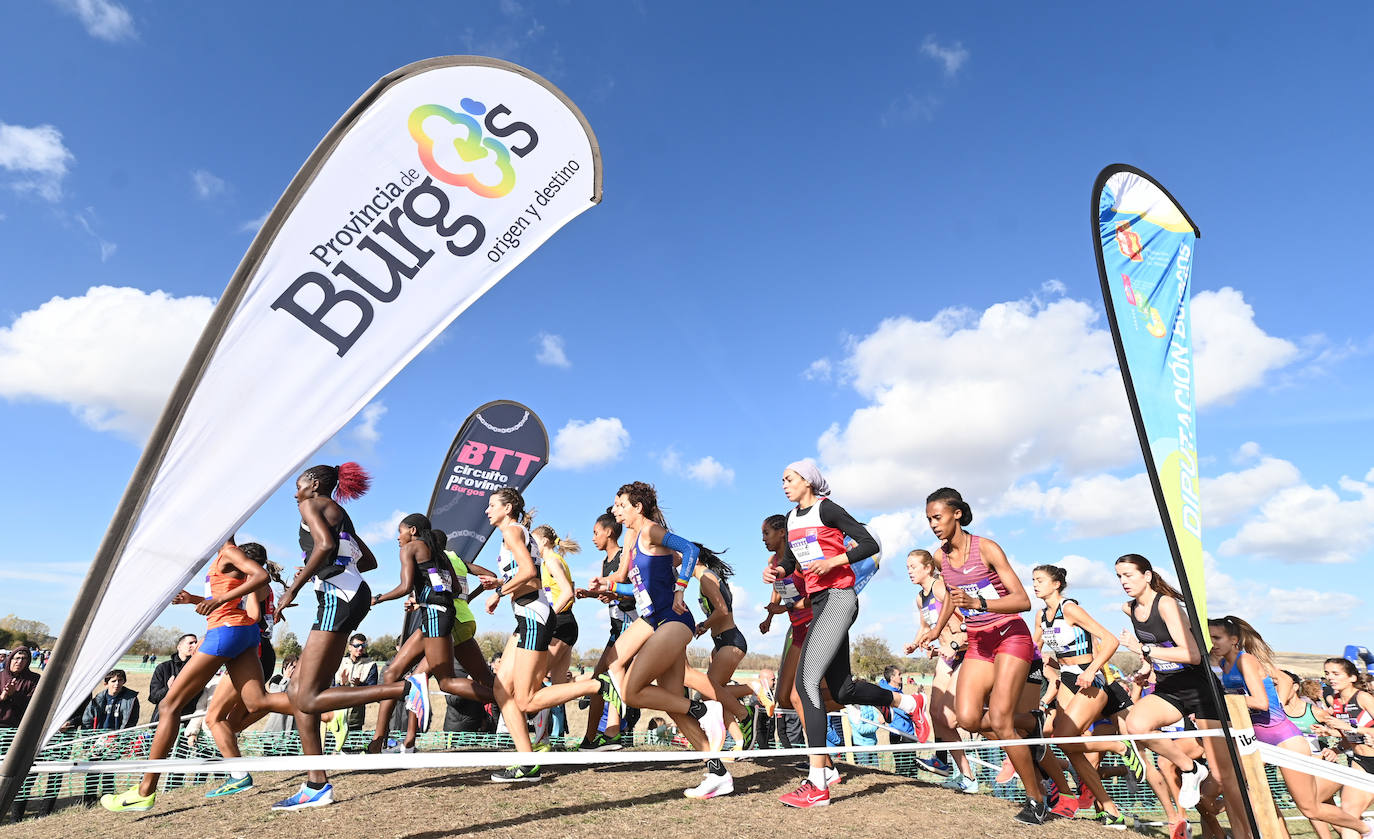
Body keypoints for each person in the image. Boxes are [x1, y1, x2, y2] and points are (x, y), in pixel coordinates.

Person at [769, 461, 925, 809]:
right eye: (782, 480)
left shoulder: (827, 508)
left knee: (805, 683)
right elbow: (795, 561)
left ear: (808, 481)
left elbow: (869, 544)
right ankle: (909, 703)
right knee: (842, 689)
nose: (784, 484)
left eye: (789, 479)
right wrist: (780, 569)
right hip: (821, 603)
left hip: (840, 597)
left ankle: (818, 782)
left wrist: (835, 561)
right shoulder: (792, 519)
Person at [271, 462, 414, 810]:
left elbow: (322, 545)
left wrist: (295, 586)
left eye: (299, 484)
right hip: (349, 592)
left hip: (339, 597)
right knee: (297, 692)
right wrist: (318, 568)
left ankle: (404, 689)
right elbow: (368, 561)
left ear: (315, 484)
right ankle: (315, 783)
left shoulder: (312, 504)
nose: (295, 492)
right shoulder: (338, 510)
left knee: (305, 697)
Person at [101, 540, 278, 812]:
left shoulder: (231, 555)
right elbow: (244, 610)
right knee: (249, 705)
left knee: (170, 706)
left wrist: (218, 599)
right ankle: (314, 706)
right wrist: (196, 600)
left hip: (228, 635)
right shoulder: (231, 561)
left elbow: (249, 608)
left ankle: (145, 790)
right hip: (245, 637)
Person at [912, 487, 1047, 824]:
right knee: (968, 719)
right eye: (928, 519)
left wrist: (980, 604)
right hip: (979, 642)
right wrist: (935, 628)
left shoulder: (986, 548)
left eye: (937, 517)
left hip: (1010, 636)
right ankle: (1032, 723)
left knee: (1001, 722)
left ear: (956, 513)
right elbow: (950, 599)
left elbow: (1022, 600)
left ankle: (1036, 800)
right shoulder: (940, 557)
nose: (933, 524)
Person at [590, 481, 731, 799]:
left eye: (620, 505)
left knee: (631, 691)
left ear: (637, 507)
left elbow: (691, 550)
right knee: (668, 703)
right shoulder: (630, 537)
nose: (616, 511)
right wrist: (604, 587)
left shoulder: (652, 531)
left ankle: (703, 710)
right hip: (653, 620)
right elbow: (632, 588)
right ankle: (717, 773)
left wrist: (681, 587)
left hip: (674, 621)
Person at [479, 488, 617, 782]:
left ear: (508, 508)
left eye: (492, 505)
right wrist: (500, 581)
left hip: (534, 615)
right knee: (502, 690)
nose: (487, 510)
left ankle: (596, 686)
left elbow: (530, 572)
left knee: (526, 700)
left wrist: (499, 594)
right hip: (527, 614)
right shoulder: (517, 533)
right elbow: (523, 571)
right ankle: (526, 762)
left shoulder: (512, 531)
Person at [1114, 554, 1250, 839]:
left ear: (1147, 575)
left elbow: (1191, 655)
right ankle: (1190, 769)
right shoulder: (1129, 608)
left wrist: (1144, 650)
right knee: (1136, 726)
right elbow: (1159, 650)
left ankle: (1244, 833)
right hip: (1169, 689)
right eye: (1119, 577)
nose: (1124, 582)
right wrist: (1146, 668)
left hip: (1201, 691)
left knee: (1225, 775)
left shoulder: (1165, 604)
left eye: (1129, 575)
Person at [1211, 617, 1374, 838]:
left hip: (1284, 738)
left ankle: (1365, 829)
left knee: (1310, 808)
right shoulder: (1223, 664)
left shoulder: (1247, 660)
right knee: (1235, 786)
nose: (1212, 643)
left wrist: (1227, 699)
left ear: (1233, 640)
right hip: (1255, 737)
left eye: (1216, 637)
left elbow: (1269, 695)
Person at [367, 513, 495, 753]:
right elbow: (455, 587)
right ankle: (380, 741)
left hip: (439, 618)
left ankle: (508, 703)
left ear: (413, 530)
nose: (398, 537)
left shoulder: (411, 548)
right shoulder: (444, 555)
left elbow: (406, 586)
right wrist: (427, 598)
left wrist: (378, 598)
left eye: (400, 531)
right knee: (392, 672)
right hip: (446, 615)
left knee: (444, 681)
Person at [1029, 564, 1132, 827]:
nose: (1035, 584)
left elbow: (1110, 640)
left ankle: (1119, 746)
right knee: (1068, 746)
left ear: (1056, 584)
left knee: (1066, 740)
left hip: (1088, 676)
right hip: (1066, 678)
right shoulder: (1041, 616)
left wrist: (1093, 670)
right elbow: (1033, 650)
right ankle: (1109, 810)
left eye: (1040, 580)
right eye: (1033, 580)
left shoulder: (1070, 609)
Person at [902, 548, 977, 791]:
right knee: (937, 713)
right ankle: (965, 775)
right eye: (907, 568)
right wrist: (915, 643)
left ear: (928, 568)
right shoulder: (918, 597)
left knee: (953, 716)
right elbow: (925, 626)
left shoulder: (939, 587)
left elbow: (966, 616)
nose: (910, 571)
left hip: (964, 650)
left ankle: (1003, 735)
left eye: (913, 567)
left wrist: (956, 641)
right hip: (945, 655)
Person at [577, 511, 635, 751]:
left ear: (609, 532)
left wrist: (613, 593)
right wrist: (588, 593)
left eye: (595, 532)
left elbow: (631, 588)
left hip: (630, 623)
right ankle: (592, 739)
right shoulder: (604, 562)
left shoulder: (623, 556)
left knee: (607, 677)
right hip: (615, 627)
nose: (593, 538)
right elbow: (608, 593)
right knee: (599, 679)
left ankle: (609, 735)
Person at [758, 513, 809, 748]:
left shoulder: (798, 559)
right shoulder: (772, 562)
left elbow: (814, 598)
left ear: (781, 533)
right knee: (783, 697)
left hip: (813, 624)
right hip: (796, 626)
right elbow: (778, 590)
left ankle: (819, 757)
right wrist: (769, 616)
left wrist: (784, 608)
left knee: (799, 695)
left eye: (766, 533)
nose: (763, 539)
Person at [1314, 657, 1374, 839]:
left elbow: (1356, 729)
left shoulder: (1363, 697)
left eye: (1336, 673)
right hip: (1361, 762)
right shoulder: (1338, 702)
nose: (1330, 678)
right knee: (1348, 815)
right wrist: (1336, 748)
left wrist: (1350, 728)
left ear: (1352, 678)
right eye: (1327, 674)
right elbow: (1352, 738)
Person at [148, 634, 202, 724]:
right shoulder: (163, 668)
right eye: (190, 643)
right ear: (179, 647)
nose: (194, 645)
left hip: (189, 722)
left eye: (196, 643)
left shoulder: (200, 669)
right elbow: (153, 697)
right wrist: (168, 688)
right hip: (163, 721)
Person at [0, 648, 39, 726]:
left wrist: (14, 694)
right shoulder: (0, 676)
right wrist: (2, 697)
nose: (20, 661)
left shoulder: (34, 679)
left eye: (24, 659)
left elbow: (34, 705)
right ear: (10, 659)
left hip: (19, 727)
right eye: (17, 658)